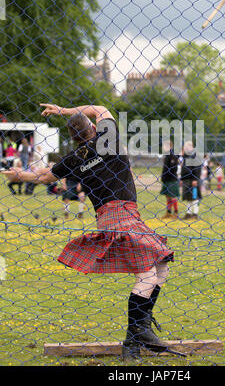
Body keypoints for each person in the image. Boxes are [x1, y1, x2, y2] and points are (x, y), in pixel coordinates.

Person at [2, 103, 178, 360]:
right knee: (147, 274)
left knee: (161, 265)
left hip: (110, 217)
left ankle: (136, 336)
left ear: (73, 138)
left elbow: (43, 176)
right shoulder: (109, 138)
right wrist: (63, 110)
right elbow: (100, 107)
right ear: (94, 128)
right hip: (124, 215)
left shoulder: (74, 158)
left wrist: (19, 174)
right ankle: (137, 332)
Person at [180, 141, 202, 220]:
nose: (184, 149)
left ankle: (195, 214)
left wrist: (195, 179)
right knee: (188, 197)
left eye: (185, 147)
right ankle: (188, 214)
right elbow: (184, 168)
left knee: (194, 197)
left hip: (193, 180)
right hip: (186, 179)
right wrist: (182, 178)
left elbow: (197, 168)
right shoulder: (186, 156)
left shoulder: (195, 156)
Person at [159, 140, 179, 219]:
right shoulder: (167, 155)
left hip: (172, 179)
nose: (163, 147)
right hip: (166, 179)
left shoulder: (173, 154)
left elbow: (173, 168)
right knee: (168, 196)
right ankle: (168, 212)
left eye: (164, 146)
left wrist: (167, 176)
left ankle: (176, 212)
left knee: (173, 196)